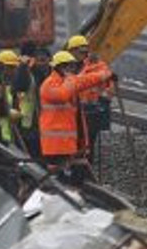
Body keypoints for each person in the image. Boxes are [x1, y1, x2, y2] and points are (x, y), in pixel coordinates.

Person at [39, 50, 112, 185]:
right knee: (58, 183)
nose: (72, 70)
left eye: (72, 67)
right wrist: (71, 79)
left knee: (74, 179)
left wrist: (104, 74)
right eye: (69, 67)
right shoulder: (48, 85)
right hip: (55, 146)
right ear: (60, 67)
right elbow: (62, 95)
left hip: (67, 144)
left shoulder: (68, 81)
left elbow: (86, 80)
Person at [67, 35, 114, 162]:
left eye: (83, 51)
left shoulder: (96, 66)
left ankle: (85, 167)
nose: (81, 54)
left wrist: (102, 101)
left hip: (91, 111)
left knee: (87, 143)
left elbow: (107, 85)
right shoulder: (67, 67)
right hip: (73, 112)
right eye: (78, 51)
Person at [0, 50, 30, 147]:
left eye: (14, 68)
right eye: (9, 67)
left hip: (12, 134)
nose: (12, 71)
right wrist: (8, 112)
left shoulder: (12, 85)